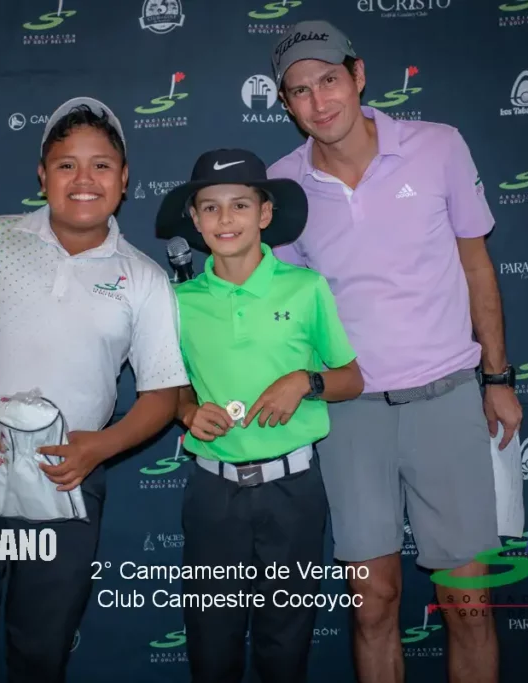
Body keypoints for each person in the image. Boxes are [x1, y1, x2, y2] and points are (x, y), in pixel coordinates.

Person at [266, 20, 523, 683]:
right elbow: (289, 309)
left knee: (469, 604)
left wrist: (497, 377)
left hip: (447, 398)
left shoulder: (439, 147)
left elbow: (477, 266)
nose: (319, 101)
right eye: (300, 90)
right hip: (350, 413)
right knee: (372, 603)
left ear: (358, 76)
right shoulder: (281, 186)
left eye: (329, 79)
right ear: (286, 104)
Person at [0, 97, 188, 683]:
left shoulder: (144, 279)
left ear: (124, 178)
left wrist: (98, 448)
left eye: (101, 165)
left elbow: (163, 396)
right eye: (66, 165)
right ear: (42, 175)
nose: (83, 179)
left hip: (68, 478)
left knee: (42, 651)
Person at [155, 148, 364, 682]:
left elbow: (351, 378)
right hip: (213, 493)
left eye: (241, 205)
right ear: (195, 219)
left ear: (265, 213)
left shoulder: (305, 287)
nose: (226, 219)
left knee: (285, 644)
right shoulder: (177, 303)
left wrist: (305, 381)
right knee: (211, 644)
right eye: (211, 207)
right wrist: (186, 410)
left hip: (292, 492)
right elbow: (168, 389)